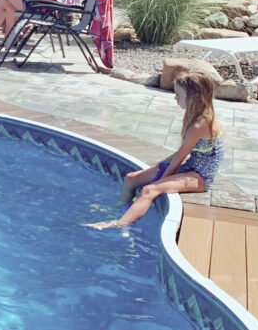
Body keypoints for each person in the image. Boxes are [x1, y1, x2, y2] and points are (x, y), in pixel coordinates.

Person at [86, 72, 224, 229]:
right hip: (190, 166)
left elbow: (180, 158)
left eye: (178, 94)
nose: (175, 98)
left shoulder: (200, 125)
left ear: (194, 97)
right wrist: (163, 163)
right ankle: (117, 211)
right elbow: (183, 152)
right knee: (131, 179)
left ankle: (119, 224)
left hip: (199, 177)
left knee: (150, 190)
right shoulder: (195, 116)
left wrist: (161, 179)